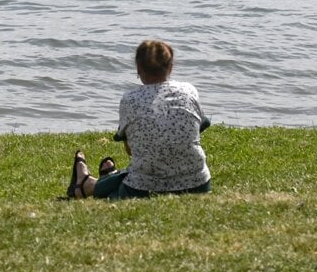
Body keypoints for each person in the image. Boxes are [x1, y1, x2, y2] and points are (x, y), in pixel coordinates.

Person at [67, 39, 211, 200]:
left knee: (119, 192)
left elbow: (130, 150)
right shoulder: (189, 91)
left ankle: (88, 185)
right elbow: (199, 127)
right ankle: (98, 181)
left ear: (138, 69)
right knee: (138, 174)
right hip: (197, 184)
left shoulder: (130, 99)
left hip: (144, 188)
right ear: (171, 67)